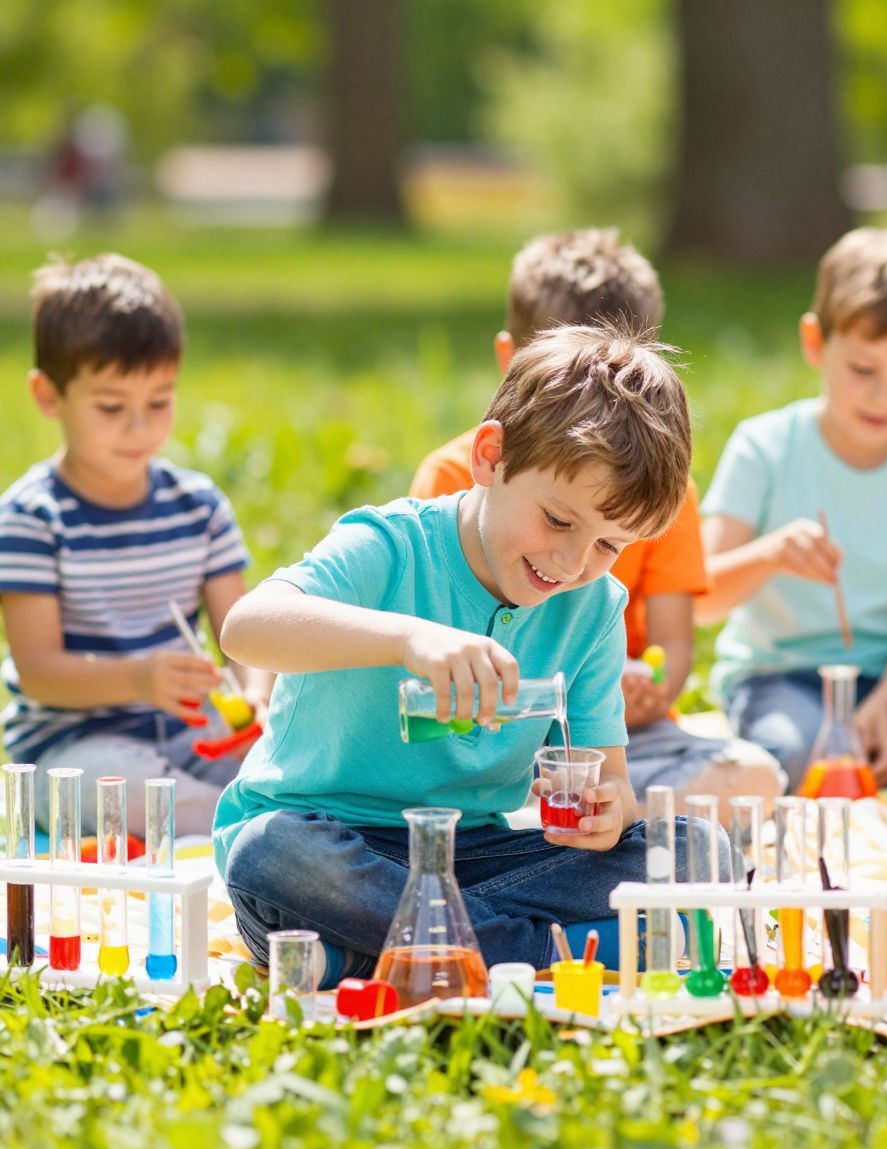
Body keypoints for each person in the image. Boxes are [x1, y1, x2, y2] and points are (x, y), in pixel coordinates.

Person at [216, 324, 724, 977]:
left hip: (471, 852)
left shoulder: (595, 610)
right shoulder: (391, 545)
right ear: (490, 457)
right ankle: (543, 951)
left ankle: (385, 951)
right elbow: (246, 627)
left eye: (608, 545)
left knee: (695, 850)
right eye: (559, 521)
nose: (572, 563)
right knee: (268, 853)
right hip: (327, 840)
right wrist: (410, 639)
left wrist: (609, 810)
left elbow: (614, 781)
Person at [408, 228, 778, 797]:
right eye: (558, 520)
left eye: (609, 544)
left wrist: (651, 691)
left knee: (751, 778)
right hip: (481, 738)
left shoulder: (661, 495)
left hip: (616, 738)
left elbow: (673, 644)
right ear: (512, 359)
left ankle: (584, 821)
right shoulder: (456, 475)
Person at [696, 227, 887, 788]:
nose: (883, 396)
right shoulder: (764, 447)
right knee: (795, 755)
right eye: (863, 370)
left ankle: (868, 764)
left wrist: (881, 709)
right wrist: (770, 555)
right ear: (815, 342)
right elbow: (701, 598)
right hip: (779, 676)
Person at [0, 254, 265, 836]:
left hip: (190, 734)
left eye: (159, 402)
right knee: (124, 792)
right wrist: (140, 680)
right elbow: (39, 671)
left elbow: (242, 635)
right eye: (111, 406)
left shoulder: (198, 506)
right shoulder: (32, 517)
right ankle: (247, 826)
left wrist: (254, 698)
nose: (139, 427)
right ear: (48, 395)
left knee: (293, 756)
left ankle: (244, 816)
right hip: (72, 751)